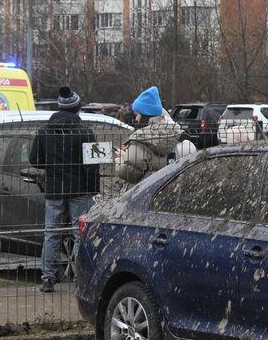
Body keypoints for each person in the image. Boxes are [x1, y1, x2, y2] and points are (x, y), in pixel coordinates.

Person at [30, 87, 100, 293]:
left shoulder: (45, 131)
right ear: (77, 108)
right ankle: (81, 279)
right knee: (80, 235)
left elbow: (35, 160)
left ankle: (47, 279)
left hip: (54, 190)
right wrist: (91, 188)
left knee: (51, 233)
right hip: (80, 190)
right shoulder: (85, 131)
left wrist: (52, 165)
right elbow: (93, 164)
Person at [115, 86, 196, 186]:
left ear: (145, 115)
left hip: (143, 194)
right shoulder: (174, 135)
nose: (136, 118)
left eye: (138, 114)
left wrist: (121, 158)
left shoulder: (140, 142)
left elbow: (128, 173)